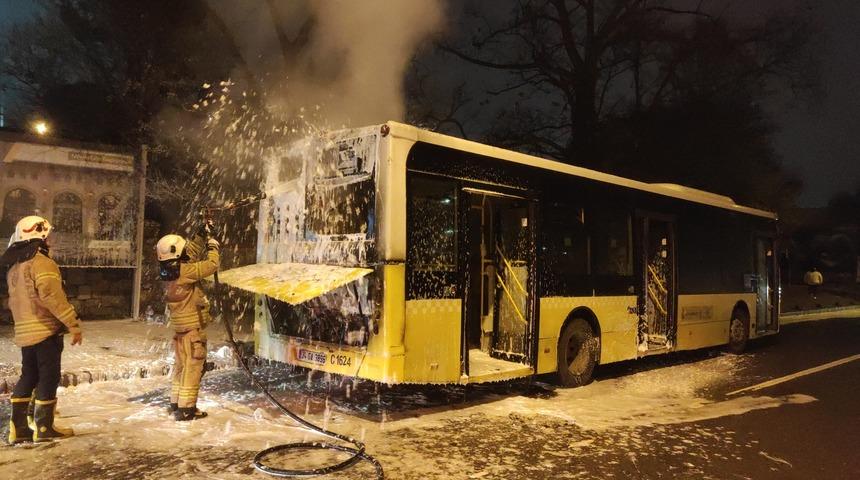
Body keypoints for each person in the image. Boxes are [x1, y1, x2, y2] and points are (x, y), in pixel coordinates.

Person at [1, 216, 82, 443]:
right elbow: (52, 297)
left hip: (25, 333)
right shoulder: (42, 263)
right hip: (45, 331)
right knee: (49, 377)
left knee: (29, 376)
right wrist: (73, 324)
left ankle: (19, 429)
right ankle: (44, 428)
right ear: (40, 237)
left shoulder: (15, 268)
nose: (51, 240)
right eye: (48, 236)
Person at [156, 225, 220, 421]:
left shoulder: (169, 272)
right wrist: (213, 246)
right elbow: (211, 265)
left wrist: (200, 235)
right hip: (193, 331)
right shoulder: (185, 272)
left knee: (181, 366)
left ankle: (176, 403)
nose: (186, 252)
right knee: (193, 368)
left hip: (180, 331)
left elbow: (187, 255)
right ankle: (187, 409)